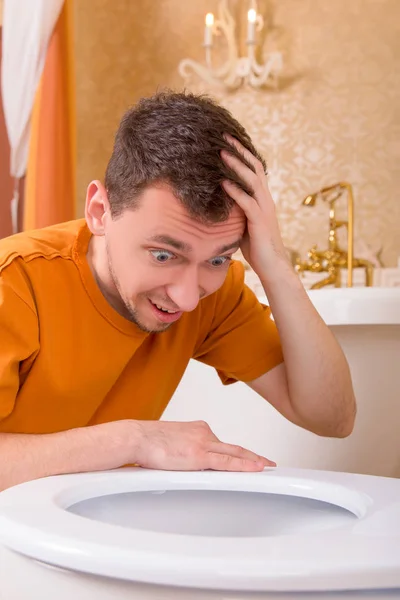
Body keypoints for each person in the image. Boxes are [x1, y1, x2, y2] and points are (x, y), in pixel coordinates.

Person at [0, 91, 356, 491]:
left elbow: (333, 418)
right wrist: (136, 440)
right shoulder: (14, 285)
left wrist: (277, 269)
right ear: (100, 211)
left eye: (218, 259)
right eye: (163, 255)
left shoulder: (215, 297)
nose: (187, 298)